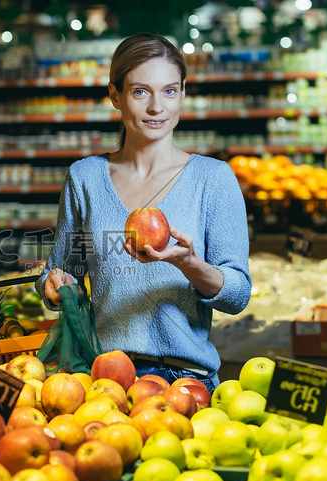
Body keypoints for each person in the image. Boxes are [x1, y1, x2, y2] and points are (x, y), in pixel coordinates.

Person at [34, 33, 252, 392]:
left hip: (185, 381)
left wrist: (189, 264)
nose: (157, 108)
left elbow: (238, 295)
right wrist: (53, 287)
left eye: (169, 91)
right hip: (104, 379)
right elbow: (58, 274)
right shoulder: (84, 178)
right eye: (140, 92)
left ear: (182, 93)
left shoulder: (213, 179)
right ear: (115, 96)